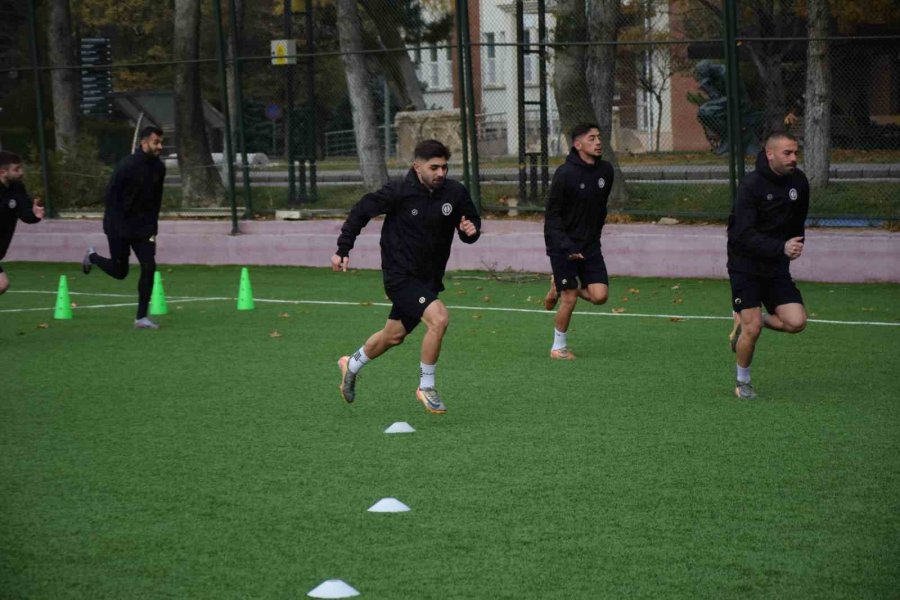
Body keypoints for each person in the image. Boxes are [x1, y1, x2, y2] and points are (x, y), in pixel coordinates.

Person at [332, 139, 481, 414]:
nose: (440, 173)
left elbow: (470, 224)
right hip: (400, 276)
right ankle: (426, 387)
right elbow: (361, 211)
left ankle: (350, 365)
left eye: (444, 167)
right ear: (417, 167)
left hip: (428, 279)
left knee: (393, 336)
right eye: (434, 167)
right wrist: (343, 248)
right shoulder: (399, 191)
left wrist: (470, 230)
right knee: (439, 319)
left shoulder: (455, 193)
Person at [727, 131, 809, 399]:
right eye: (787, 153)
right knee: (754, 330)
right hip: (745, 265)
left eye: (795, 152)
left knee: (796, 322)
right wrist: (780, 247)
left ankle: (745, 318)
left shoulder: (799, 182)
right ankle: (743, 382)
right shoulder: (750, 185)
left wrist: (796, 245)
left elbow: (797, 222)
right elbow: (742, 235)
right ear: (769, 153)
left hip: (776, 267)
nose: (794, 158)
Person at [542, 123, 614, 360]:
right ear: (578, 144)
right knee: (570, 297)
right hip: (562, 245)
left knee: (600, 296)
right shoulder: (565, 174)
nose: (598, 142)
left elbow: (599, 208)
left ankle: (558, 284)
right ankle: (558, 347)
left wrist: (593, 239)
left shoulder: (606, 171)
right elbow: (552, 216)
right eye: (591, 138)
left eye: (599, 137)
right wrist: (567, 246)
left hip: (590, 245)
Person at [82, 126, 166, 329]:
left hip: (144, 227)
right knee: (120, 272)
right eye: (156, 142)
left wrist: (153, 226)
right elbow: (110, 196)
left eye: (161, 142)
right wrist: (117, 225)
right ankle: (92, 256)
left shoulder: (159, 168)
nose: (160, 147)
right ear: (143, 143)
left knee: (149, 266)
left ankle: (141, 318)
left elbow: (156, 200)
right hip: (118, 226)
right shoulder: (127, 165)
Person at [0, 151, 45, 295]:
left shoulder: (17, 188)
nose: (21, 172)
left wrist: (35, 215)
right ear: (3, 172)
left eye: (21, 168)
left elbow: (25, 215)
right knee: (2, 283)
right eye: (16, 169)